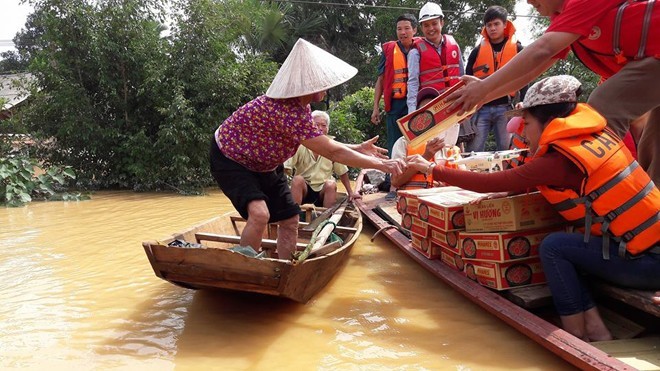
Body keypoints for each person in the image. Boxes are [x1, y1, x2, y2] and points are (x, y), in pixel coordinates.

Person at [408, 75, 660, 341]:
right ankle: (596, 327)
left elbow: (490, 182)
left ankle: (579, 332)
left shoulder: (558, 160)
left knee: (553, 247)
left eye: (526, 123)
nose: (523, 132)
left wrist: (431, 168)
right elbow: (522, 184)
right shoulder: (596, 136)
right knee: (570, 243)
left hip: (647, 262)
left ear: (547, 122)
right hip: (648, 249)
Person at [210, 39, 405, 260]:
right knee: (259, 214)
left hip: (264, 166)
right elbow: (332, 152)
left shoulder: (302, 108)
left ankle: (284, 270)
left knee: (291, 219)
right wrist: (383, 164)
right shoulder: (283, 110)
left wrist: (357, 148)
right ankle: (242, 272)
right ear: (309, 86)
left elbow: (320, 142)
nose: (326, 86)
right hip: (231, 159)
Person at [447, 0, 660, 186]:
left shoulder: (581, 3)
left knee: (603, 105)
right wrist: (484, 96)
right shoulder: (564, 18)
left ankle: (595, 192)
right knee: (652, 149)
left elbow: (542, 49)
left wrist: (484, 87)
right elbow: (534, 69)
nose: (529, 1)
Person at [465, 5, 527, 152]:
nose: (492, 28)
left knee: (507, 150)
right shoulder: (477, 51)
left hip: (505, 108)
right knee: (474, 149)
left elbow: (525, 77)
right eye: (489, 25)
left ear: (505, 24)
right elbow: (467, 80)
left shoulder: (518, 49)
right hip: (481, 108)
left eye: (496, 24)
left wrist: (524, 100)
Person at [285, 110, 361, 207]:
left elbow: (342, 172)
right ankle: (294, 214)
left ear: (328, 128)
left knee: (331, 184)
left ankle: (327, 219)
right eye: (316, 125)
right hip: (304, 189)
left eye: (323, 125)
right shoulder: (301, 143)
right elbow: (286, 168)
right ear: (310, 126)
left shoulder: (332, 146)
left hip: (323, 190)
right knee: (297, 179)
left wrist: (350, 192)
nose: (320, 128)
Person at [391, 87, 459, 190]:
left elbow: (462, 180)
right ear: (417, 115)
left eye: (434, 109)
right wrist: (425, 157)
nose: (430, 115)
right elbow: (395, 181)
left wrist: (440, 185)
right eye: (425, 110)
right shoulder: (403, 143)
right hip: (412, 203)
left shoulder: (450, 143)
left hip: (442, 202)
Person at [371, 13, 419, 157]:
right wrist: (375, 108)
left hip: (417, 103)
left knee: (416, 140)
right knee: (395, 142)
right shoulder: (388, 51)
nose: (403, 32)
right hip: (395, 104)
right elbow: (381, 80)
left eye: (407, 28)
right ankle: (392, 176)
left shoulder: (422, 48)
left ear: (415, 30)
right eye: (399, 29)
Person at [406, 2, 465, 114]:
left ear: (442, 23)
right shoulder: (415, 52)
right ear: (422, 28)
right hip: (431, 109)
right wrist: (412, 112)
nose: (431, 28)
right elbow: (413, 83)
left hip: (455, 104)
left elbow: (462, 75)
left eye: (434, 23)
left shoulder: (454, 45)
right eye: (426, 25)